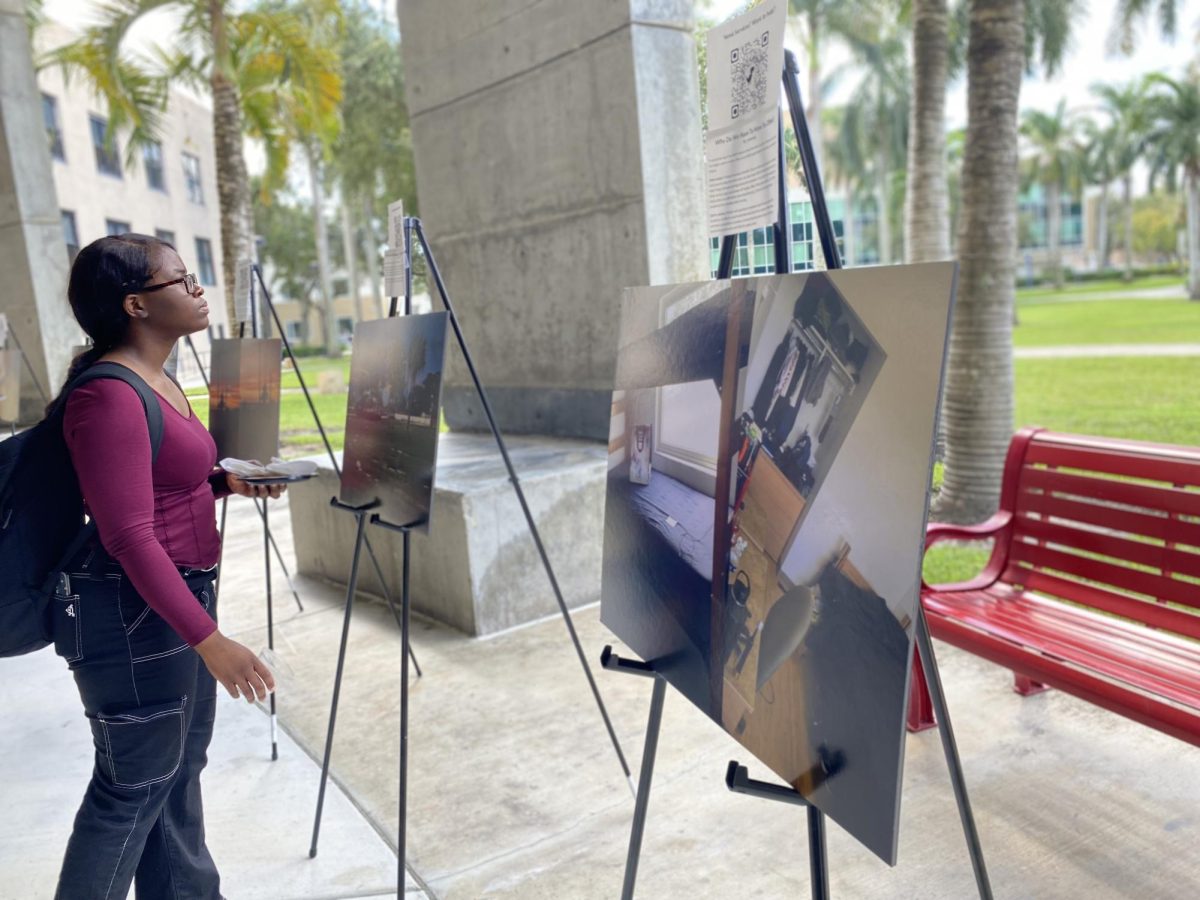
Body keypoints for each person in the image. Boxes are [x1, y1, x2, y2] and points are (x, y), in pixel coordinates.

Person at [49, 234, 279, 899]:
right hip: (134, 617)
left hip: (169, 602)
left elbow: (160, 490)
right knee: (130, 792)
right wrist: (209, 642)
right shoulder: (110, 397)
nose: (196, 288)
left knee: (173, 775)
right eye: (179, 280)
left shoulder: (158, 378)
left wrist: (224, 486)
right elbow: (127, 534)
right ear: (136, 306)